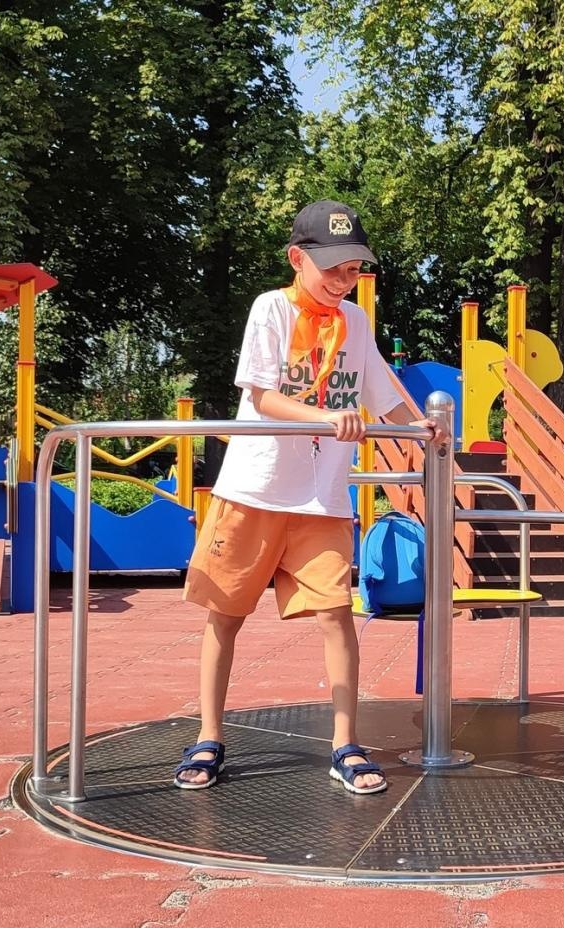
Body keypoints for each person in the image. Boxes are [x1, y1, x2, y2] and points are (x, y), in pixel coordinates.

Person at [174, 200, 448, 795]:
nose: (343, 279)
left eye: (353, 269)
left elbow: (381, 390)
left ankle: (345, 742)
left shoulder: (356, 322)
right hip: (255, 488)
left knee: (336, 614)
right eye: (332, 267)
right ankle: (209, 735)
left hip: (320, 499)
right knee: (226, 615)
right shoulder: (270, 309)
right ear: (298, 258)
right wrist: (326, 417)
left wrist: (421, 431)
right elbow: (266, 397)